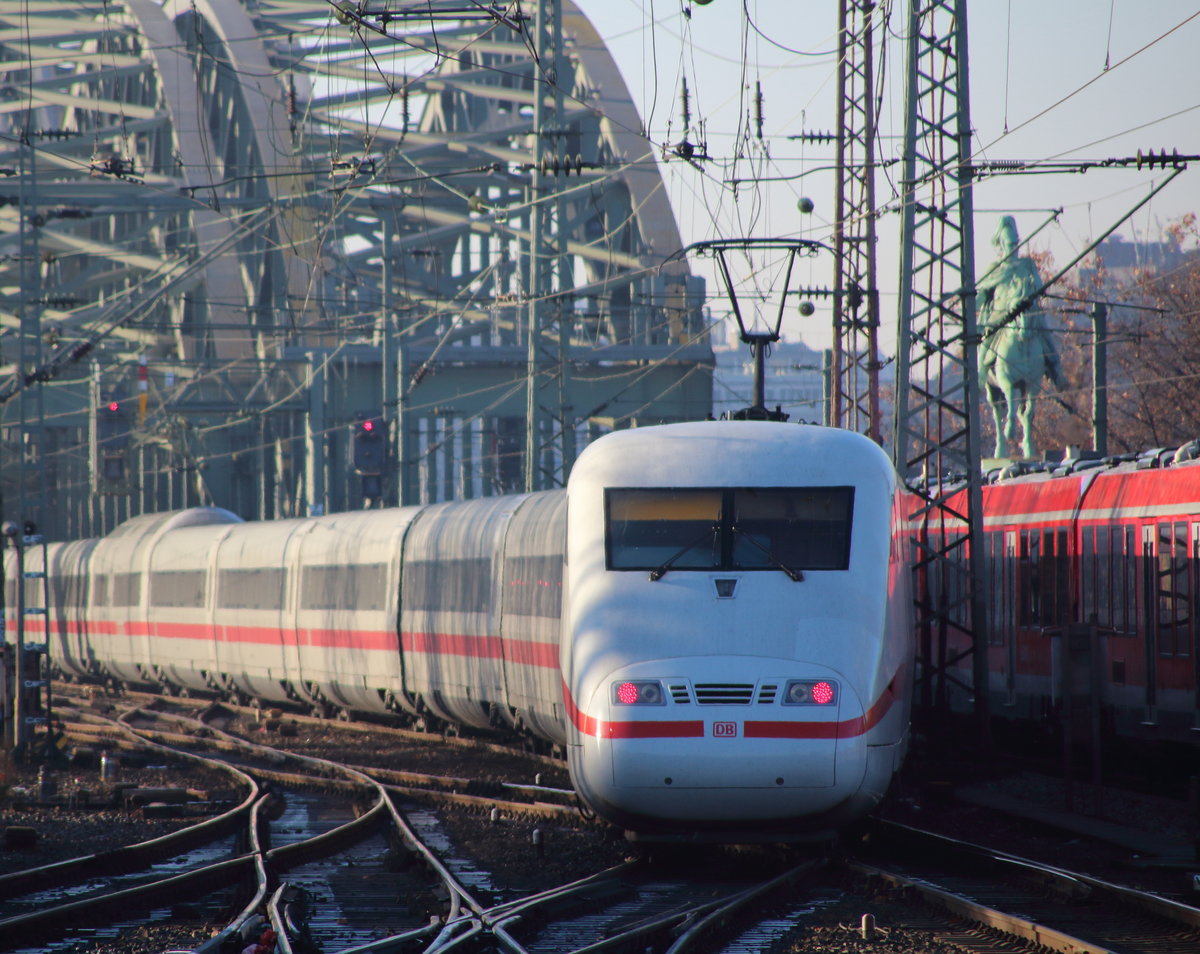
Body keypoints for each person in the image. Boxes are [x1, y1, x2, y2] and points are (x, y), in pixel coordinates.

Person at [977, 216, 1063, 388]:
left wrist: (1034, 287)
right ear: (1002, 245)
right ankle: (980, 374)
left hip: (1027, 311)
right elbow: (982, 295)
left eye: (1016, 244)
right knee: (987, 340)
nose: (1014, 248)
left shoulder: (1027, 264)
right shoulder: (995, 269)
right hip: (1001, 314)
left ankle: (1056, 371)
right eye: (1010, 244)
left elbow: (1039, 285)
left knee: (1045, 334)